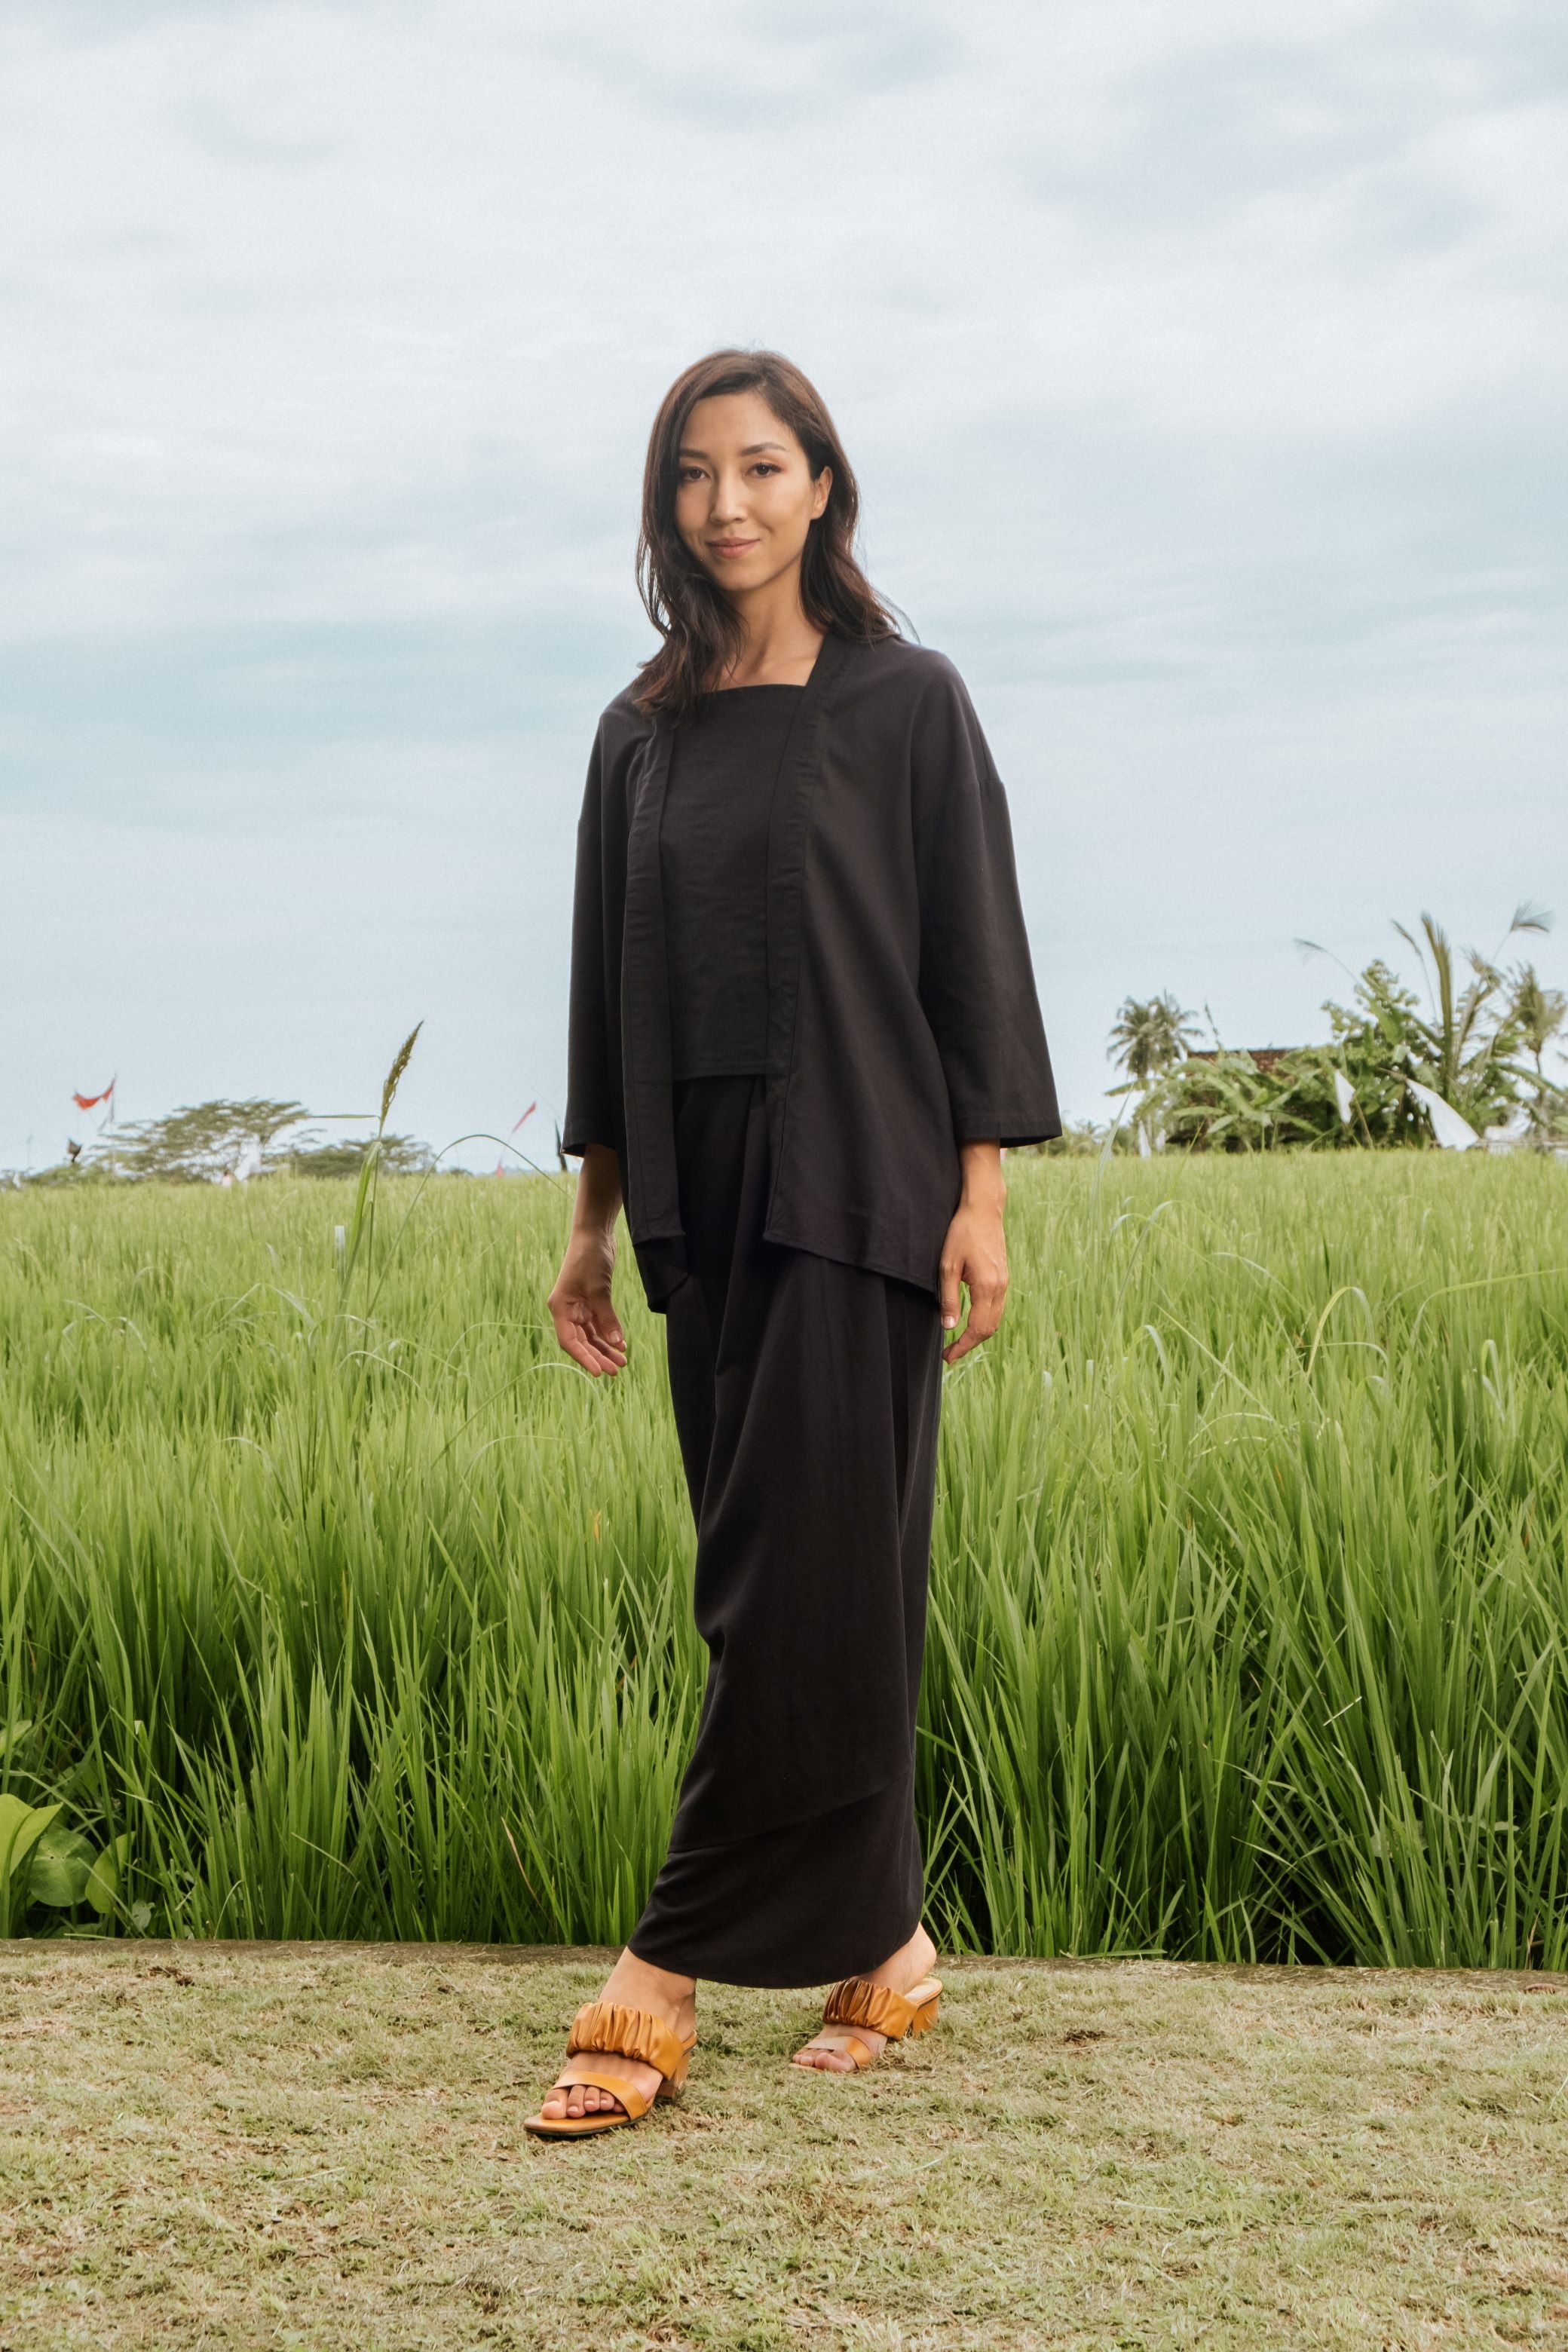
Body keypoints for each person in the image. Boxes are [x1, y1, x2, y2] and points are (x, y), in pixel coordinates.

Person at [528, 349, 1058, 2138]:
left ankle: (660, 1973)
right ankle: (888, 1948)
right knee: (801, 1578)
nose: (726, 503)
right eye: (693, 473)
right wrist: (592, 1224)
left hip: (864, 1181)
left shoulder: (909, 702)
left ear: (821, 483)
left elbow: (966, 953)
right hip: (698, 1195)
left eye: (760, 466)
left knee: (788, 1584)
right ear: (665, 504)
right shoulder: (640, 730)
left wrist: (978, 1195)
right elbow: (607, 992)